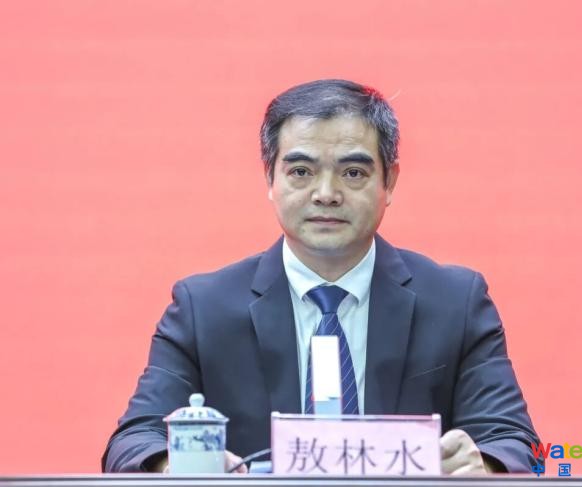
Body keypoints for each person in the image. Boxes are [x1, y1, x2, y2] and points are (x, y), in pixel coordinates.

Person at [102, 79, 540, 474]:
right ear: (270, 179)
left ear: (390, 182)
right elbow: (133, 442)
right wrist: (175, 466)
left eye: (353, 173)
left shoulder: (455, 303)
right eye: (301, 172)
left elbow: (519, 444)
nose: (326, 194)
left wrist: (484, 465)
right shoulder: (203, 308)